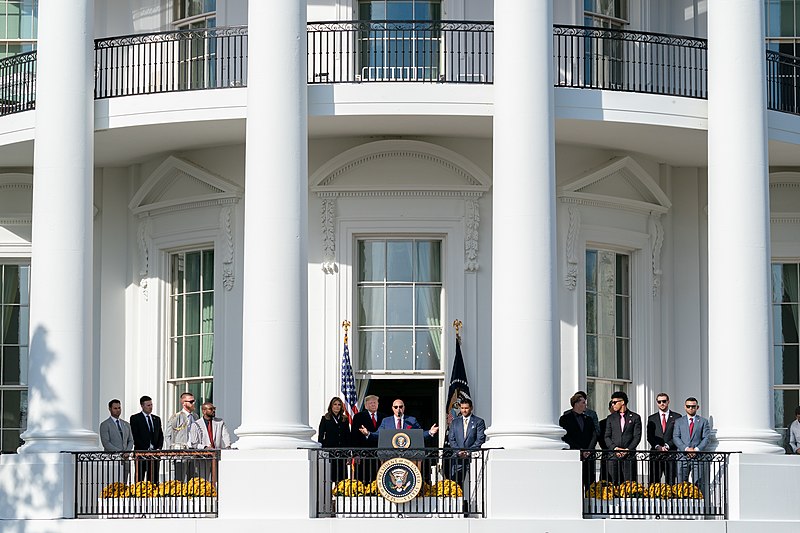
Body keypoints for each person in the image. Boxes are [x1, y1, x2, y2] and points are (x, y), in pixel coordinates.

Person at [672, 396, 711, 493]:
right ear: (685, 407)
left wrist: (696, 449)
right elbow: (676, 437)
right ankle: (681, 505)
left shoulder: (703, 421)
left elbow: (706, 438)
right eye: (688, 406)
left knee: (698, 483)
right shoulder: (679, 421)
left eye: (693, 406)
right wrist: (686, 449)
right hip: (682, 456)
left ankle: (698, 505)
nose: (691, 408)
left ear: (697, 407)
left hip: (697, 456)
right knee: (681, 484)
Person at [559, 392, 597, 489]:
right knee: (574, 484)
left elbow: (594, 435)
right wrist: (579, 449)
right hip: (574, 454)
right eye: (583, 402)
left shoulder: (588, 419)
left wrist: (589, 450)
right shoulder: (565, 419)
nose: (585, 405)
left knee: (589, 483)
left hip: (588, 456)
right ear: (576, 404)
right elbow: (565, 437)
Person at [604, 391, 642, 483]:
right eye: (612, 402)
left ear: (622, 402)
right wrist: (615, 448)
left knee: (629, 485)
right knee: (613, 483)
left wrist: (627, 450)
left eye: (615, 402)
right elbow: (607, 436)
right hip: (613, 456)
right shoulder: (610, 418)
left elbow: (637, 436)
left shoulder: (635, 417)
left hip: (629, 456)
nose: (613, 405)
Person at [189, 402, 231, 483]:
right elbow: (194, 443)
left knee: (218, 480)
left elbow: (225, 435)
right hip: (203, 457)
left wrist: (228, 446)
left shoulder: (220, 422)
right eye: (211, 409)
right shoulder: (196, 424)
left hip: (216, 455)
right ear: (204, 411)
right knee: (204, 480)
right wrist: (205, 447)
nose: (214, 411)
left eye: (214, 409)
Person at [447, 398, 486, 484]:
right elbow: (451, 438)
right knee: (456, 484)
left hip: (473, 457)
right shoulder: (455, 422)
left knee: (475, 482)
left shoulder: (479, 422)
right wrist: (458, 451)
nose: (464, 410)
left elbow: (480, 439)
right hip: (458, 458)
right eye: (462, 408)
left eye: (466, 408)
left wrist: (468, 452)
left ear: (471, 408)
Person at [359, 398, 439, 440]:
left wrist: (430, 432)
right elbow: (379, 435)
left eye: (400, 407)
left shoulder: (411, 420)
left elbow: (419, 435)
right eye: (396, 407)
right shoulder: (386, 421)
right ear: (392, 408)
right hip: (390, 454)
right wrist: (368, 433)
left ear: (404, 408)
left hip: (408, 454)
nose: (398, 409)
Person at [646, 392, 681, 484]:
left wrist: (668, 445)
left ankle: (670, 498)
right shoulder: (651, 418)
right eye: (659, 401)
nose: (662, 403)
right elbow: (650, 436)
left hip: (671, 453)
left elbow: (677, 435)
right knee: (654, 481)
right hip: (656, 454)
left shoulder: (677, 417)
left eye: (664, 401)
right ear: (657, 402)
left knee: (671, 481)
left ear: (668, 401)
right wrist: (658, 446)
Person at [350, 394, 385, 483]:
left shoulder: (384, 417)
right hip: (363, 453)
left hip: (379, 453)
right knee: (363, 478)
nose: (373, 405)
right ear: (366, 405)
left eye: (375, 402)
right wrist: (355, 454)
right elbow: (354, 435)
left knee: (379, 477)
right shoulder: (358, 416)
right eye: (371, 403)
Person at [130, 395, 164, 482]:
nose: (151, 407)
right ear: (142, 406)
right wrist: (146, 449)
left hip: (154, 454)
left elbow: (160, 435)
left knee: (153, 478)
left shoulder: (156, 419)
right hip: (141, 453)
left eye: (151, 405)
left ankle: (154, 494)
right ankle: (138, 494)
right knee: (140, 477)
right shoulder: (135, 418)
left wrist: (158, 448)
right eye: (148, 405)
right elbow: (135, 435)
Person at [99, 399, 134, 483]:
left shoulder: (126, 424)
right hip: (112, 459)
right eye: (115, 408)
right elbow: (106, 443)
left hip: (125, 459)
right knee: (112, 483)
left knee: (124, 483)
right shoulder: (105, 424)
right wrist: (120, 452)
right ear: (110, 409)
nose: (118, 410)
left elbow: (131, 440)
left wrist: (127, 452)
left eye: (119, 408)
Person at [164, 392, 197, 481]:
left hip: (193, 451)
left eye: (194, 401)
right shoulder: (176, 417)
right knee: (179, 479)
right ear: (184, 403)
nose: (193, 403)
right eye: (191, 401)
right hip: (180, 452)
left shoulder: (195, 416)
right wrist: (172, 450)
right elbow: (168, 435)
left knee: (193, 480)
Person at [318, 397, 351, 484]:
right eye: (335, 404)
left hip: (342, 450)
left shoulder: (344, 419)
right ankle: (329, 495)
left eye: (339, 405)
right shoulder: (325, 418)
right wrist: (321, 450)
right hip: (330, 450)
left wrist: (348, 453)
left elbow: (348, 436)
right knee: (330, 474)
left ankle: (340, 494)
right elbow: (321, 435)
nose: (337, 407)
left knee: (341, 474)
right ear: (331, 406)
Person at [598, 401, 614, 482]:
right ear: (609, 409)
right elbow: (601, 439)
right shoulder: (602, 423)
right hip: (607, 453)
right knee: (606, 480)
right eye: (612, 407)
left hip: (621, 453)